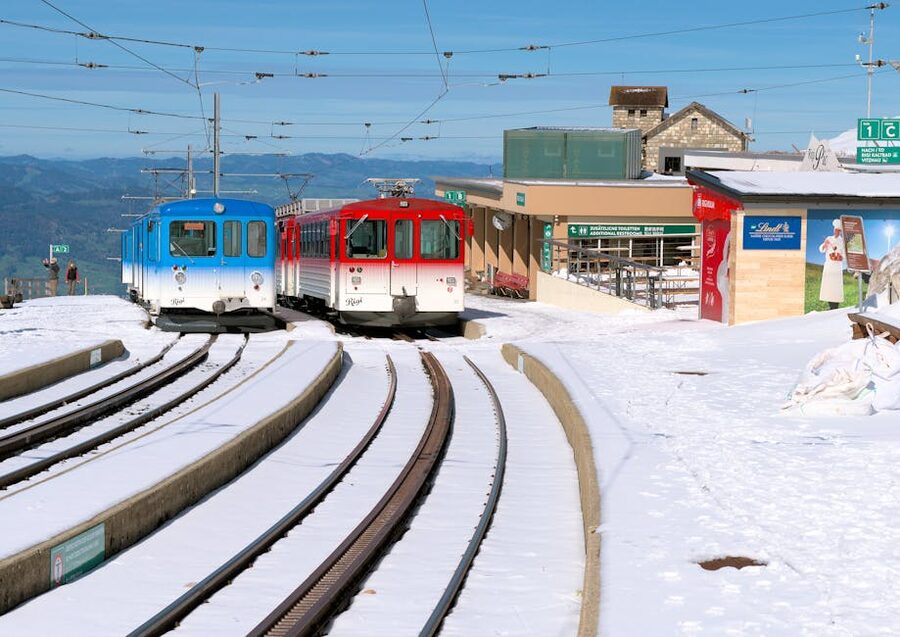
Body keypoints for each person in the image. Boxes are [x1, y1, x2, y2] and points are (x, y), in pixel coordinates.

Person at [818, 219, 845, 310]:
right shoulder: (829, 238)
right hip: (829, 265)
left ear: (840, 231)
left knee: (835, 287)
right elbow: (821, 249)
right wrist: (825, 245)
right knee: (829, 286)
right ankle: (830, 306)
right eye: (835, 230)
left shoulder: (842, 242)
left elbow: (844, 255)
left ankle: (835, 307)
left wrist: (841, 257)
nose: (836, 232)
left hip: (837, 266)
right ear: (833, 230)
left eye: (838, 230)